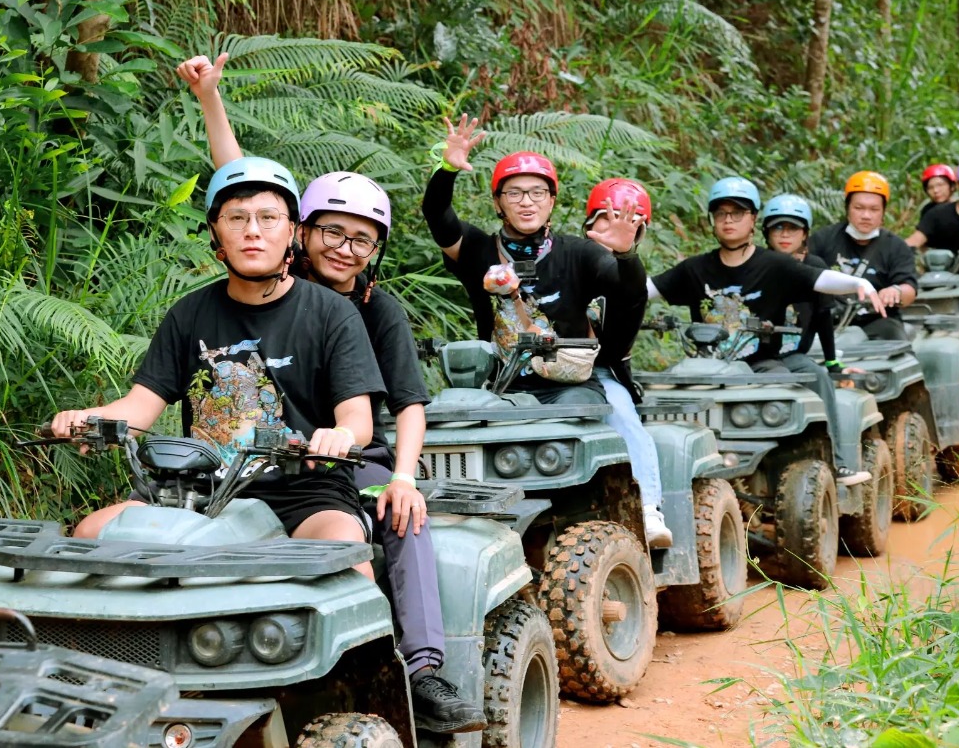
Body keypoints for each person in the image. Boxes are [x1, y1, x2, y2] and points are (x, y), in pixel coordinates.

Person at [175, 52, 485, 734]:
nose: (345, 248)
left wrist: (403, 475)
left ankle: (421, 667)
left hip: (353, 457)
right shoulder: (266, 282)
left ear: (375, 250)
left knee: (401, 514)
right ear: (302, 232)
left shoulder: (378, 310)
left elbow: (406, 402)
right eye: (334, 233)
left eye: (362, 240)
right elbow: (244, 183)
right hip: (254, 457)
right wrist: (210, 99)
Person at [53, 155, 382, 583]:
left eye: (268, 217)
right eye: (237, 217)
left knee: (344, 557)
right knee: (89, 532)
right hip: (195, 489)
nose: (252, 231)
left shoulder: (332, 313)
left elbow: (358, 418)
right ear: (215, 231)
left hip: (306, 492)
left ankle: (365, 652)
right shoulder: (189, 314)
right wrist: (88, 420)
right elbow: (139, 408)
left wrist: (339, 435)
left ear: (293, 232)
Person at [646, 176, 885, 485]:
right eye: (721, 213)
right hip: (706, 367)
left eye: (738, 213)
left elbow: (819, 279)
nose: (729, 220)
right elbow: (644, 290)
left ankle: (836, 462)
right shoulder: (694, 269)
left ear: (753, 219)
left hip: (760, 365)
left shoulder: (775, 265)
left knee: (801, 389)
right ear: (712, 220)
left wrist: (857, 283)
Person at [421, 115, 645, 408]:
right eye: (514, 193)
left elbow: (629, 293)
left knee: (574, 415)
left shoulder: (579, 253)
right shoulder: (476, 249)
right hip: (499, 388)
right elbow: (437, 214)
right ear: (497, 202)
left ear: (551, 201)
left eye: (538, 192)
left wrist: (627, 256)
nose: (527, 201)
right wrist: (447, 169)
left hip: (569, 387)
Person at [583, 178, 672, 548]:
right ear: (588, 224)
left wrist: (624, 256)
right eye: (605, 220)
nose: (614, 230)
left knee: (622, 414)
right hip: (533, 369)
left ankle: (649, 507)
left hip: (598, 371)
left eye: (628, 224)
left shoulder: (629, 280)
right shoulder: (566, 257)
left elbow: (632, 292)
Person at [809, 172, 919, 341]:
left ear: (883, 212)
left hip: (877, 321)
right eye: (859, 208)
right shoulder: (823, 239)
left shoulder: (896, 246)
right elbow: (804, 274)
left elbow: (909, 290)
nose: (866, 215)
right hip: (830, 320)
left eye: (874, 209)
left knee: (895, 340)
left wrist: (895, 291)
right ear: (847, 209)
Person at [759, 193, 838, 367]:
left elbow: (823, 316)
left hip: (795, 355)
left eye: (793, 228)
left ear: (804, 234)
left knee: (817, 375)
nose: (785, 234)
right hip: (758, 356)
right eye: (778, 227)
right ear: (767, 232)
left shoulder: (815, 266)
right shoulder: (756, 264)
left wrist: (831, 359)